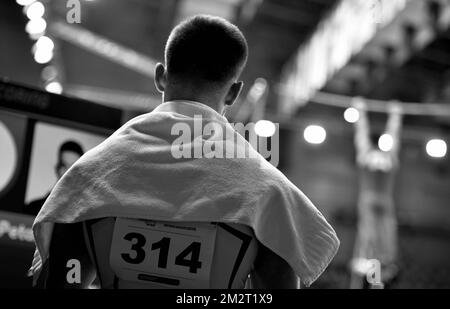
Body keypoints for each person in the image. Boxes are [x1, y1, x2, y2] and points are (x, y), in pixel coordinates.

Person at [29, 15, 339, 289]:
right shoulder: (268, 191)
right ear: (233, 92)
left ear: (161, 75)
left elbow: (61, 281)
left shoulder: (91, 174)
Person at [350, 99, 403, 289]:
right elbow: (361, 137)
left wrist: (395, 115)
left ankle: (378, 276)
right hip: (370, 202)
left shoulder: (389, 157)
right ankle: (372, 275)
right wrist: (360, 112)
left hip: (383, 204)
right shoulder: (366, 155)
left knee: (386, 237)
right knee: (368, 234)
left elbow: (393, 138)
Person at [24, 141, 84, 216]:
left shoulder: (87, 215)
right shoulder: (32, 208)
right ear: (57, 168)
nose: (67, 172)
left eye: (73, 167)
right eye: (64, 166)